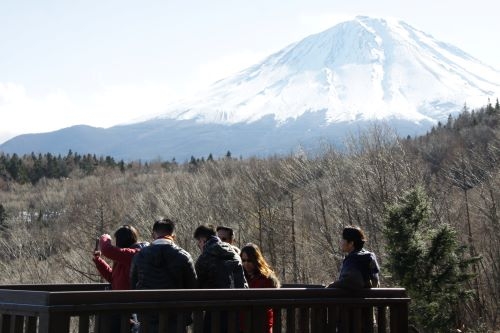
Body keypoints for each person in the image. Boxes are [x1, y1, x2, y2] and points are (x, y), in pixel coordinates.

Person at [130, 218, 198, 333]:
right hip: (176, 319)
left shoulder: (140, 256)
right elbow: (193, 286)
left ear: (153, 235)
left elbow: (133, 284)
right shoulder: (183, 256)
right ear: (173, 235)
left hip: (147, 318)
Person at [92, 224, 147, 333]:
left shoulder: (135, 253)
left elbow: (107, 249)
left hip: (129, 309)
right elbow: (113, 278)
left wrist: (105, 237)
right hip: (119, 307)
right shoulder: (124, 257)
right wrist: (98, 260)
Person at [193, 224, 247, 333]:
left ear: (203, 240)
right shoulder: (234, 253)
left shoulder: (205, 257)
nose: (199, 246)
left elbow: (197, 286)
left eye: (198, 243)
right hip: (237, 310)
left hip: (214, 310)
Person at [240, 243, 280, 333]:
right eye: (243, 260)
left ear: (256, 260)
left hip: (261, 323)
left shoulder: (266, 278)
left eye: (249, 260)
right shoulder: (240, 277)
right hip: (244, 325)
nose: (246, 263)